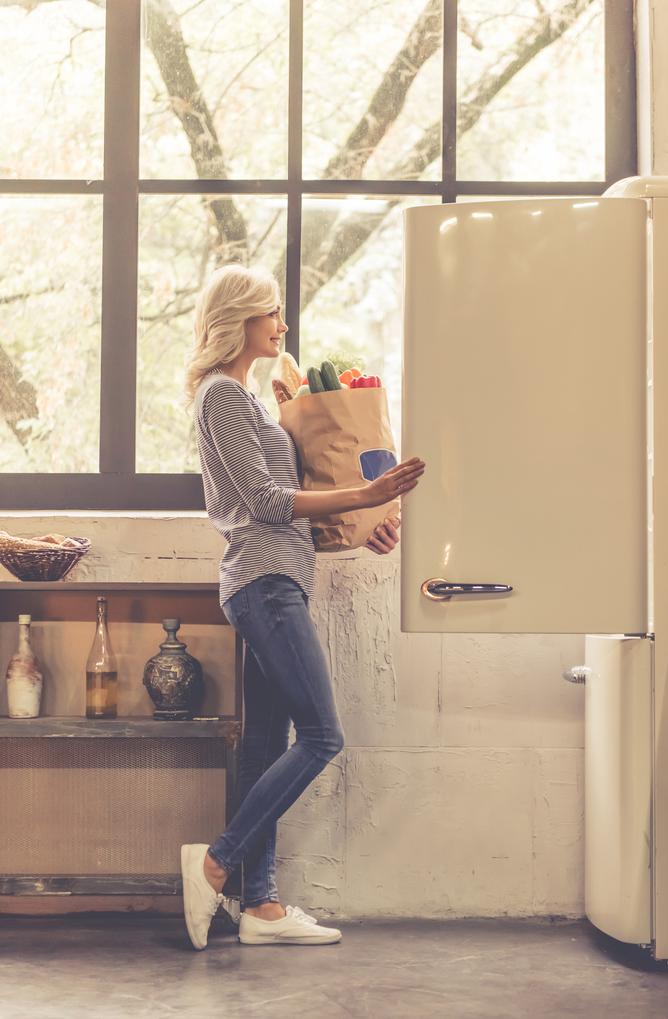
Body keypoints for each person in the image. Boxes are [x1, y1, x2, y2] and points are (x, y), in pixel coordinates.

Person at [181, 263, 426, 951]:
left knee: (264, 747)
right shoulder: (221, 397)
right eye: (272, 313)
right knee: (323, 736)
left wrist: (359, 528)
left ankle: (259, 907)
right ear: (241, 318)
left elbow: (291, 510)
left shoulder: (256, 399)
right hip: (263, 585)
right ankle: (215, 862)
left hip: (279, 576)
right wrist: (363, 497)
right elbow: (261, 505)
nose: (282, 324)